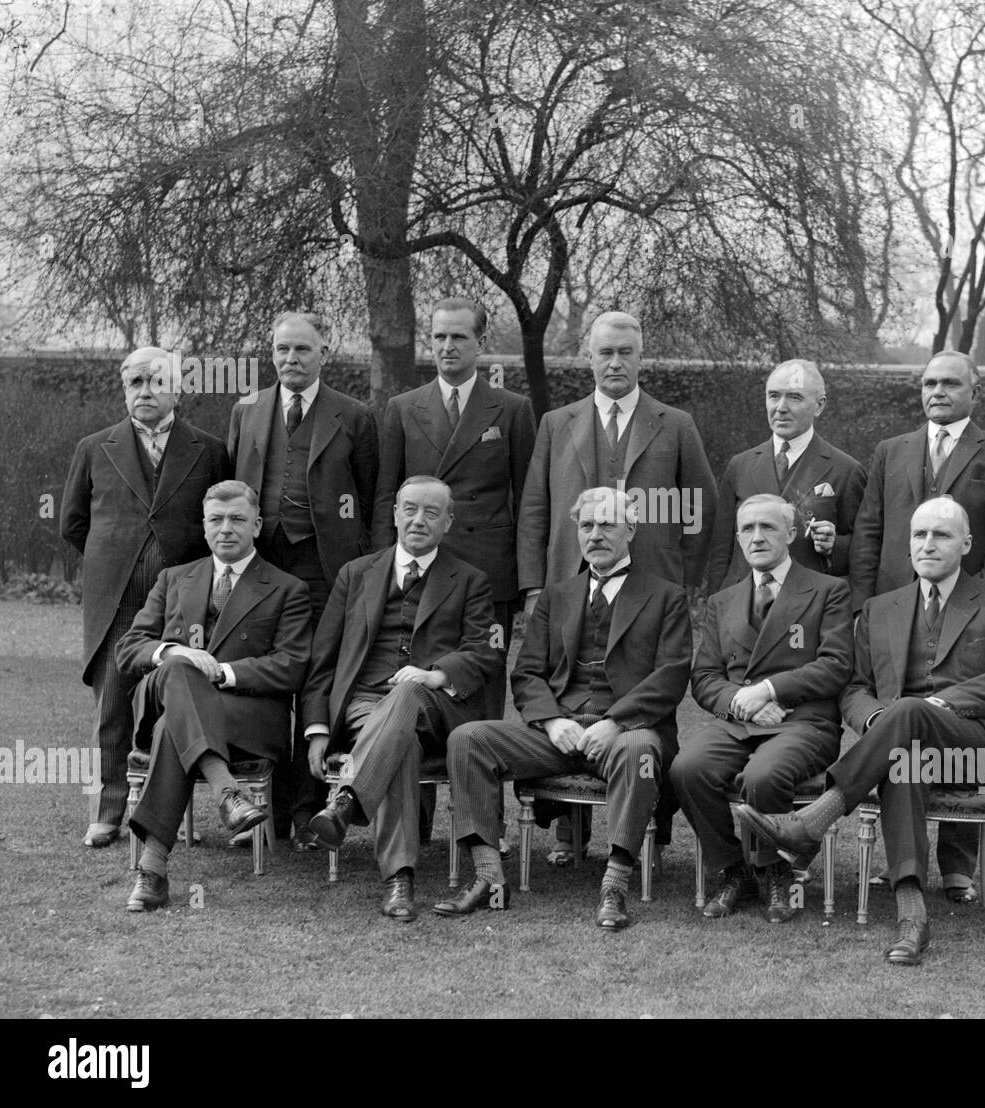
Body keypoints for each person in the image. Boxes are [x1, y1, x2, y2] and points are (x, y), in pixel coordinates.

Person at [738, 497, 985, 965]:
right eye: (919, 535)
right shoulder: (879, 609)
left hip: (982, 755)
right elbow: (855, 688)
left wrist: (934, 705)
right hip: (906, 747)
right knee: (902, 761)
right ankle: (911, 917)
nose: (928, 544)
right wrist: (879, 721)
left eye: (941, 535)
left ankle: (815, 819)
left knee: (910, 716)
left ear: (967, 544)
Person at [440, 487, 692, 929]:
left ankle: (614, 885)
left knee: (640, 752)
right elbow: (527, 671)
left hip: (626, 733)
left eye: (608, 524)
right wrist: (552, 720)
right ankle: (487, 877)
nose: (596, 534)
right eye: (587, 525)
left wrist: (615, 723)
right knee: (469, 738)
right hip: (557, 735)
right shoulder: (558, 595)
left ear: (631, 530)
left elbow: (670, 676)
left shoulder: (666, 596)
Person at [516, 309, 716, 860]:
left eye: (626, 352)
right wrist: (537, 583)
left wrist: (682, 581)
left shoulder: (673, 424)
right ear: (590, 358)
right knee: (567, 697)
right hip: (570, 584)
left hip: (649, 588)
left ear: (641, 357)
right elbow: (536, 506)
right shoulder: (558, 423)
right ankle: (569, 832)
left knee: (646, 706)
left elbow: (700, 508)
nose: (615, 362)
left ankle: (648, 830)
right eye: (605, 352)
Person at [847, 349, 985, 900]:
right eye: (928, 383)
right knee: (906, 719)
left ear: (975, 391)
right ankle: (907, 869)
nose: (937, 392)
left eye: (950, 383)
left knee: (936, 706)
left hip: (969, 608)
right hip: (899, 604)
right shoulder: (891, 450)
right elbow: (871, 528)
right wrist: (870, 605)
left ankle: (955, 865)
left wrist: (974, 602)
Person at [303, 476, 498, 922]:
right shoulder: (356, 574)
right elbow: (324, 659)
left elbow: (485, 651)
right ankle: (399, 880)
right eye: (410, 509)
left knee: (407, 692)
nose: (418, 520)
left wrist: (433, 675)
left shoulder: (470, 579)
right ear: (394, 514)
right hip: (364, 706)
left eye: (432, 512)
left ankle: (347, 801)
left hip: (436, 705)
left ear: (448, 522)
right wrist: (316, 731)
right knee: (400, 744)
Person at [115, 481, 312, 911]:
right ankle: (228, 794)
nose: (226, 529)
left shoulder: (287, 588)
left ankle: (153, 867)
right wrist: (174, 651)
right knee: (179, 669)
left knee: (175, 724)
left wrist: (222, 671)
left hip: (246, 716)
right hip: (165, 694)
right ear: (203, 527)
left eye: (238, 519)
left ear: (257, 525)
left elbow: (291, 665)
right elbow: (128, 649)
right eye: (216, 520)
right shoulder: (173, 579)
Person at [61, 348, 230, 849]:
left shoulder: (209, 448)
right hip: (116, 600)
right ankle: (107, 812)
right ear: (124, 387)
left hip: (182, 602)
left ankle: (166, 813)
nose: (145, 391)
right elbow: (73, 524)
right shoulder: (95, 447)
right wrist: (116, 560)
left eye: (157, 382)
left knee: (172, 703)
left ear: (177, 389)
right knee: (112, 705)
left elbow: (218, 518)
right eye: (135, 382)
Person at [228, 310, 379, 848]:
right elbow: (232, 491)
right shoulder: (246, 410)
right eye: (282, 350)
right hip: (262, 569)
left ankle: (307, 809)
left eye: (302, 350)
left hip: (326, 570)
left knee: (318, 681)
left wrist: (366, 567)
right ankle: (259, 807)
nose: (290, 359)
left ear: (324, 354)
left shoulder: (356, 416)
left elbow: (371, 497)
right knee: (263, 678)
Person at [673, 494, 853, 923]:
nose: (757, 537)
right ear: (737, 538)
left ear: (790, 534)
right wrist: (743, 705)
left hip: (803, 721)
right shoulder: (722, 601)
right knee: (686, 768)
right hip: (740, 721)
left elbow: (836, 665)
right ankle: (735, 871)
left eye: (768, 527)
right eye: (748, 529)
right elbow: (704, 678)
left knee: (763, 775)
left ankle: (775, 873)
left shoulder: (828, 590)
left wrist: (770, 690)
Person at [372, 297, 536, 718]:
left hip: (488, 573)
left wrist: (526, 580)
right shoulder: (403, 409)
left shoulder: (513, 409)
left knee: (481, 686)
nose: (448, 346)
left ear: (480, 343)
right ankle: (415, 785)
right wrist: (381, 568)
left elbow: (529, 500)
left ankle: (482, 780)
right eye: (439, 336)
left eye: (459, 337)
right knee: (414, 687)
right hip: (420, 570)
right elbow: (384, 497)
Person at [705, 359, 865, 592]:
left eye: (794, 397)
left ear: (819, 405)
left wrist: (834, 546)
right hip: (744, 603)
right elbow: (722, 550)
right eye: (773, 396)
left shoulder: (846, 470)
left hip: (809, 605)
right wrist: (717, 605)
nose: (780, 407)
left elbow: (863, 550)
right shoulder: (740, 465)